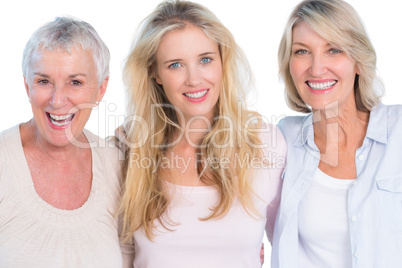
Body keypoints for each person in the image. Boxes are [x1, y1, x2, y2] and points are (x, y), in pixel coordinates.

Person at [116, 0, 286, 267]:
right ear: (155, 73)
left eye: (205, 59)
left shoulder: (267, 143)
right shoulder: (129, 148)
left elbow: (289, 243)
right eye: (175, 65)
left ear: (222, 61)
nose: (194, 79)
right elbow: (119, 255)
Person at [272, 0, 402, 267]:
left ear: (357, 61)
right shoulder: (282, 140)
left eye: (333, 50)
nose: (317, 68)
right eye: (302, 52)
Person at [0, 17, 122, 267]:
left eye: (75, 82)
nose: (57, 101)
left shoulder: (116, 165)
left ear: (100, 89)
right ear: (27, 85)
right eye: (43, 81)